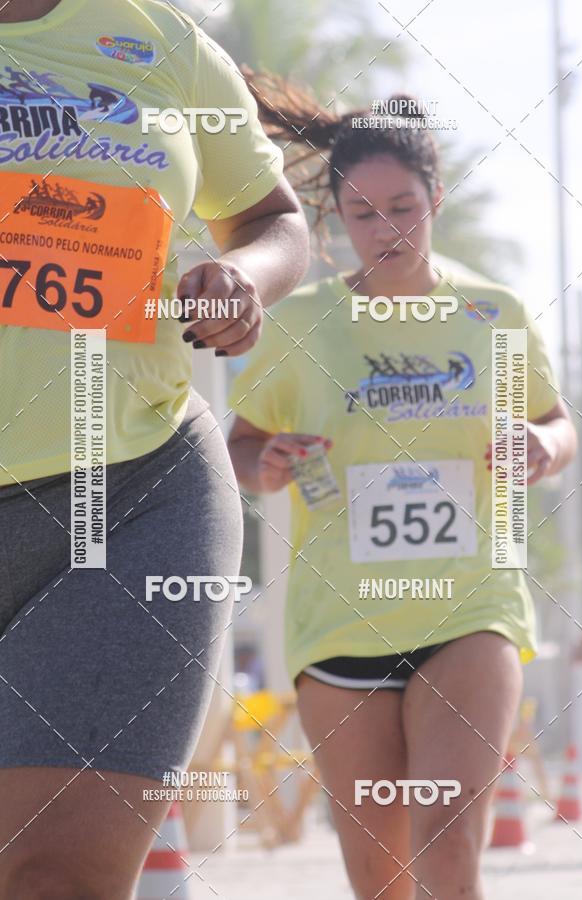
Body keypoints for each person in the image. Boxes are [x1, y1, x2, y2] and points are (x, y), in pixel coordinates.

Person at [227, 76, 578, 899]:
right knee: (380, 883)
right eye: (361, 213)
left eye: (404, 206)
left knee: (448, 847)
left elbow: (558, 423)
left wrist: (540, 443)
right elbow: (240, 446)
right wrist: (266, 461)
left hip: (469, 608)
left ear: (438, 197)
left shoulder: (492, 314)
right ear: (335, 220)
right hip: (340, 622)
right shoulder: (304, 325)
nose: (384, 229)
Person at [0, 2, 309, 898]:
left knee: (62, 877)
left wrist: (243, 279)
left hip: (140, 490)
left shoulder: (160, 37)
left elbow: (274, 220)